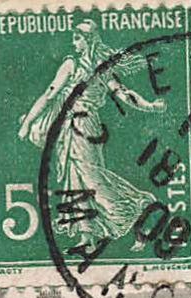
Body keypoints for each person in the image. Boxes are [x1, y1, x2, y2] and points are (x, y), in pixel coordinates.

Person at [17, 21, 166, 244]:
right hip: (68, 126)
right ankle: (86, 235)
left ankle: (138, 205)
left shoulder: (97, 67)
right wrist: (28, 122)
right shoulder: (73, 64)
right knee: (74, 178)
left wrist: (150, 106)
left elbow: (124, 94)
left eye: (77, 38)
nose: (73, 42)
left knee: (90, 176)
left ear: (88, 40)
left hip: (85, 126)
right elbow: (50, 94)